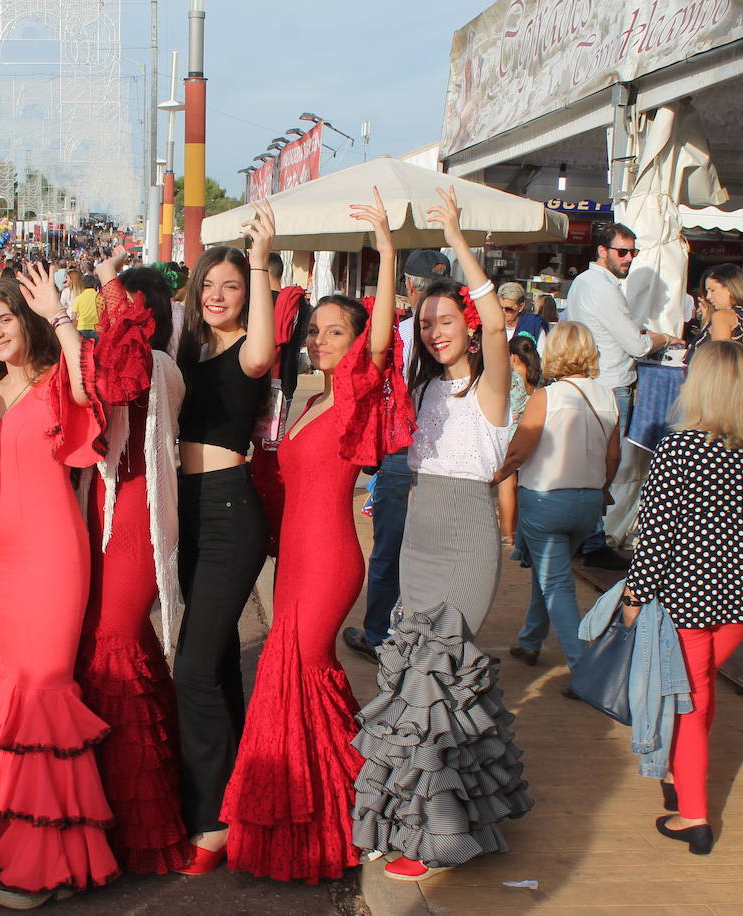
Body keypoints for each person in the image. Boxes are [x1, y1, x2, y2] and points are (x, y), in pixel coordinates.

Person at [221, 190, 411, 883]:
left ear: (355, 340)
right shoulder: (309, 399)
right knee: (291, 677)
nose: (321, 341)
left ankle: (352, 806)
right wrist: (262, 263)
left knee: (304, 673)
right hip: (294, 560)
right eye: (316, 332)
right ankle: (323, 811)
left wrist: (388, 254)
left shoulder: (359, 389)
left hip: (330, 560)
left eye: (335, 332)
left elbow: (384, 341)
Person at [352, 187, 531, 882]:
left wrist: (456, 238)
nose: (435, 330)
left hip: (463, 543)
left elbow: (495, 327)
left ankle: (434, 836)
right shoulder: (420, 387)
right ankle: (435, 821)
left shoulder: (487, 387)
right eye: (425, 322)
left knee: (434, 681)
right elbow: (377, 337)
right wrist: (390, 254)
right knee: (422, 687)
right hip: (419, 537)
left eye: (445, 318)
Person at [0, 270, 117, 908]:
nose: (0, 332)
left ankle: (48, 860)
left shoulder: (61, 381)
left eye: (8, 318)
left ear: (26, 320)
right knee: (14, 685)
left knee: (44, 687)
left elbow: (92, 388)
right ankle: (11, 835)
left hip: (55, 555)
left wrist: (60, 316)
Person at [621, 340, 743, 854]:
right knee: (699, 691)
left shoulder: (679, 449)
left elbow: (655, 533)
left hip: (689, 596)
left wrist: (634, 595)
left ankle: (694, 814)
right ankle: (679, 775)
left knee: (690, 698)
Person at [75, 250, 192, 874]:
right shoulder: (112, 359)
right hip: (102, 509)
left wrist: (104, 287)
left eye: (124, 308)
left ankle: (134, 816)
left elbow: (129, 368)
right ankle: (131, 792)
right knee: (121, 641)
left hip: (141, 520)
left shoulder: (161, 366)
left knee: (114, 640)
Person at [171, 202, 278, 875]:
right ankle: (241, 793)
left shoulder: (250, 348)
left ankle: (213, 821)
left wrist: (260, 258)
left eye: (230, 286)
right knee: (212, 665)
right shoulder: (185, 351)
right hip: (184, 510)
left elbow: (264, 346)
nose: (217, 295)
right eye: (208, 284)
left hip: (232, 512)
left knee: (190, 670)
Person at [343, 248, 449, 663]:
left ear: (408, 286)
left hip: (403, 452)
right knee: (433, 550)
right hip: (446, 456)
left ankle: (378, 635)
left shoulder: (403, 334)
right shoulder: (460, 334)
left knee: (389, 549)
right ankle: (430, 636)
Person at [495, 321, 620, 672]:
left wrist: (493, 477)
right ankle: (531, 639)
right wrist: (601, 487)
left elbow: (518, 452)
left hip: (546, 499)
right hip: (589, 500)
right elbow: (613, 457)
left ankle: (584, 668)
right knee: (551, 571)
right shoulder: (608, 396)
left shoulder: (545, 397)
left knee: (555, 581)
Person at [565, 222, 673, 570]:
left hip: (594, 381)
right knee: (604, 466)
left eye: (632, 252)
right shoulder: (603, 287)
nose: (629, 259)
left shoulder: (585, 282)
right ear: (602, 251)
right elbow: (636, 345)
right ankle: (593, 541)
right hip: (610, 384)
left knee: (591, 465)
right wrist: (663, 338)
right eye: (622, 251)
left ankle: (586, 537)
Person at [496, 334, 542, 544]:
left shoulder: (512, 377)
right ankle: (518, 530)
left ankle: (507, 533)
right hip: (529, 435)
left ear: (513, 357)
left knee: (506, 484)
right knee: (522, 486)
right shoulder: (535, 379)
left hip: (509, 436)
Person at [688, 263, 743, 361]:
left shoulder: (721, 316)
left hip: (710, 374)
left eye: (712, 290)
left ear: (729, 289)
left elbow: (719, 358)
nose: (708, 296)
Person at [498, 281, 547, 348]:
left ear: (521, 307)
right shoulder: (492, 326)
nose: (503, 312)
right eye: (500, 308)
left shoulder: (534, 325)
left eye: (508, 309)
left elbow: (542, 355)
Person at [74, 273, 101, 338]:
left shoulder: (78, 298)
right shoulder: (100, 297)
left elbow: (74, 317)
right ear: (95, 284)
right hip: (97, 328)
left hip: (82, 327)